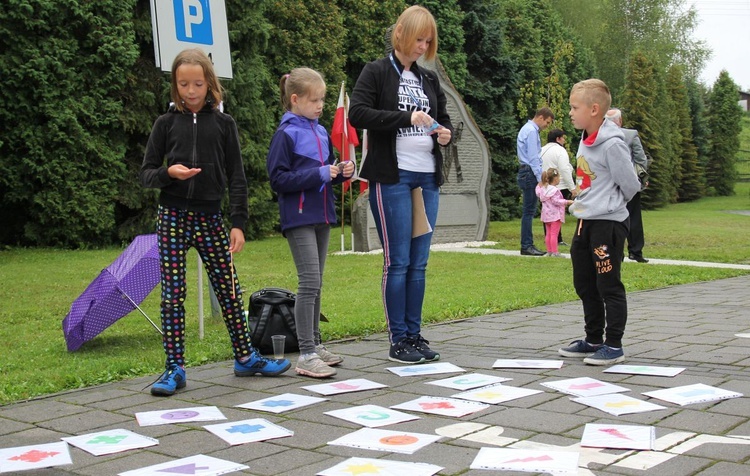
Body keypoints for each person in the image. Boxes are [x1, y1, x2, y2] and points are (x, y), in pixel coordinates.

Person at [140, 48, 291, 396]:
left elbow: (237, 177)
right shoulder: (165, 124)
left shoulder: (225, 124)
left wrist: (238, 222)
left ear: (210, 84)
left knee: (229, 289)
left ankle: (245, 356)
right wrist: (168, 173)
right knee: (173, 295)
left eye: (197, 83)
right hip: (173, 217)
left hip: (210, 217)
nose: (190, 91)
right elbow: (146, 174)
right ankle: (174, 368)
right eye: (183, 84)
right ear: (175, 87)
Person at [349, 5, 453, 364]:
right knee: (399, 261)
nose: (423, 46)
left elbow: (444, 120)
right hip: (392, 177)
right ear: (400, 35)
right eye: (418, 39)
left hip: (426, 176)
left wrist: (444, 134)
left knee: (419, 262)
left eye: (428, 41)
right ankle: (398, 340)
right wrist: (406, 116)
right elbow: (358, 113)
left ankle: (415, 334)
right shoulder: (376, 71)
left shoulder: (428, 79)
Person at [266, 68, 355, 378]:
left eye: (323, 100)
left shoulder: (319, 131)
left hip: (322, 214)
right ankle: (305, 354)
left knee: (317, 285)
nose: (320, 106)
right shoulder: (285, 134)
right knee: (309, 282)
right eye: (315, 100)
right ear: (295, 99)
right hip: (299, 217)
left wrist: (341, 170)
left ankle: (315, 345)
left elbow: (326, 168)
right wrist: (319, 174)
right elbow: (278, 179)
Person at [558, 79, 641, 366]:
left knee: (608, 284)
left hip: (607, 223)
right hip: (585, 222)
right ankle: (593, 339)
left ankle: (614, 344)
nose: (570, 112)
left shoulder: (613, 144)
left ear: (594, 110)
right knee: (584, 282)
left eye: (574, 107)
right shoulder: (585, 138)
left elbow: (631, 185)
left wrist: (609, 205)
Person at [605, 108, 650, 263]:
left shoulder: (600, 135)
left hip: (609, 185)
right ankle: (635, 251)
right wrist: (641, 178)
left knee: (612, 219)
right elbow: (641, 159)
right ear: (620, 120)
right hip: (629, 182)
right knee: (634, 217)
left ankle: (616, 252)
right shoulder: (631, 135)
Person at [517, 107, 555, 256]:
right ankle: (527, 245)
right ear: (540, 117)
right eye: (547, 122)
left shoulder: (526, 129)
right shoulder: (532, 131)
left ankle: (527, 244)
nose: (547, 125)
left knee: (528, 210)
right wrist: (540, 179)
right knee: (529, 211)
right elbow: (533, 158)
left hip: (525, 171)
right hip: (530, 172)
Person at [541, 129, 576, 246]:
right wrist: (572, 187)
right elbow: (565, 169)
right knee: (557, 213)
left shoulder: (542, 150)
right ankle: (557, 238)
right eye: (563, 138)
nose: (564, 140)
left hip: (545, 186)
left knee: (547, 211)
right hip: (559, 185)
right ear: (558, 139)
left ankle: (550, 237)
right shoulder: (560, 150)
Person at [535, 168, 573, 257]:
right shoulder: (555, 190)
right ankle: (555, 252)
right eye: (559, 177)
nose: (559, 179)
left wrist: (539, 184)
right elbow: (556, 201)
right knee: (554, 234)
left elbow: (537, 192)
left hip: (546, 216)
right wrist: (567, 201)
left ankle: (549, 251)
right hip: (555, 216)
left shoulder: (544, 189)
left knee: (548, 234)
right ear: (555, 179)